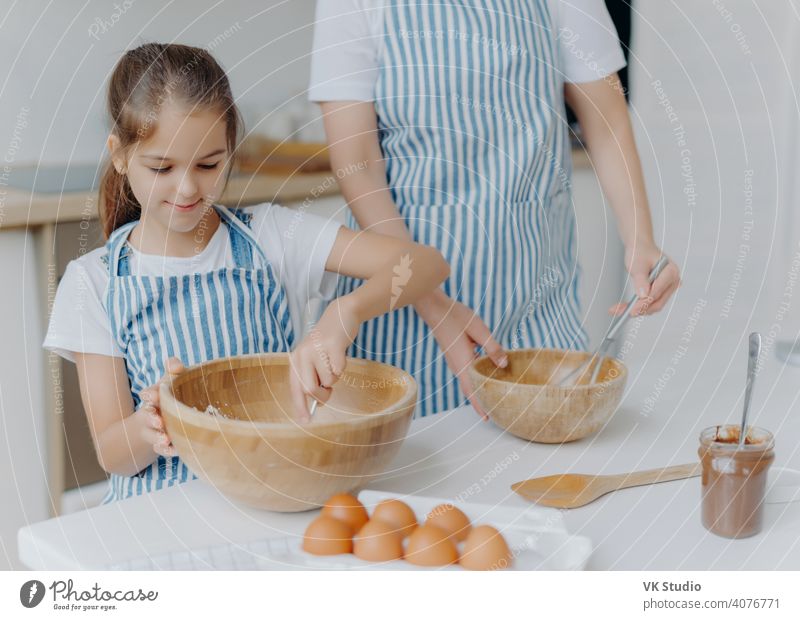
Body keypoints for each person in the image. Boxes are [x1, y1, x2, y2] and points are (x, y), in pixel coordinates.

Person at [43, 43, 449, 503]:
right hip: (163, 524)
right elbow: (115, 455)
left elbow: (425, 263)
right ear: (119, 155)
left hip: (272, 504)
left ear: (231, 149)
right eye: (162, 167)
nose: (189, 187)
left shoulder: (273, 235)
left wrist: (345, 312)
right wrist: (151, 423)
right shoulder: (93, 282)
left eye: (209, 164)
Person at [310, 0, 681, 418]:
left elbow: (608, 119)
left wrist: (640, 238)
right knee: (410, 468)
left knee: (542, 465)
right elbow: (357, 164)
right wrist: (433, 303)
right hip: (401, 304)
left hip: (535, 299)